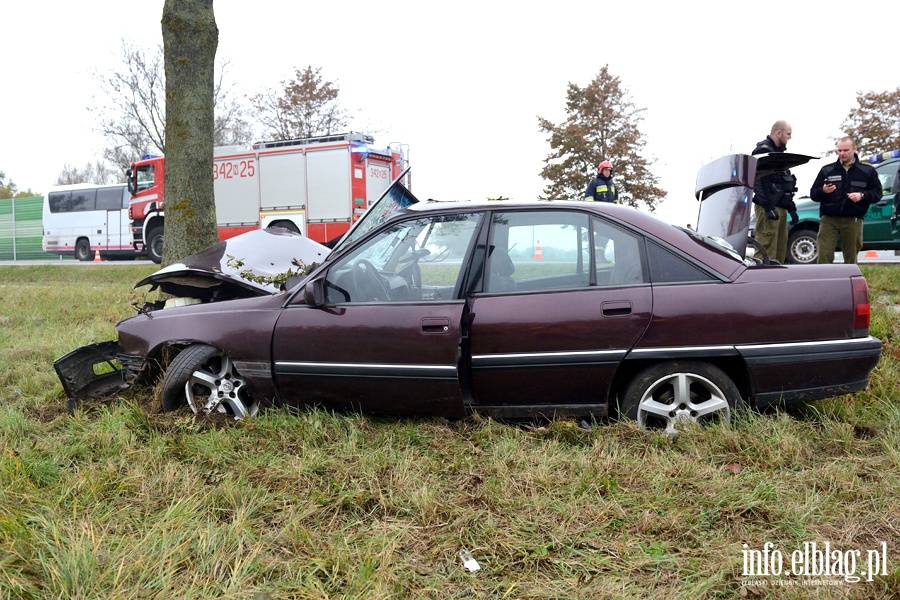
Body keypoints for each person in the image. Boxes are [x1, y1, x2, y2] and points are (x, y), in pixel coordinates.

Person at [809, 136, 881, 264]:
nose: (842, 154)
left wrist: (862, 195)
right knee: (824, 255)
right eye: (839, 151)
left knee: (851, 257)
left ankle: (849, 282)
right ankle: (825, 282)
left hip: (853, 219)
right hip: (829, 219)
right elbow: (813, 194)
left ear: (854, 149)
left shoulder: (867, 171)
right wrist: (823, 190)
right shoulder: (827, 170)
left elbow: (877, 194)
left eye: (846, 150)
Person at [751, 120, 798, 264]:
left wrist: (792, 209)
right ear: (779, 133)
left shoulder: (779, 154)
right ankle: (760, 284)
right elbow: (757, 181)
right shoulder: (763, 151)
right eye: (788, 134)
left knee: (779, 254)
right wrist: (768, 207)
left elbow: (783, 184)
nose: (790, 137)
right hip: (769, 209)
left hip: (780, 208)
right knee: (766, 252)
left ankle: (776, 285)